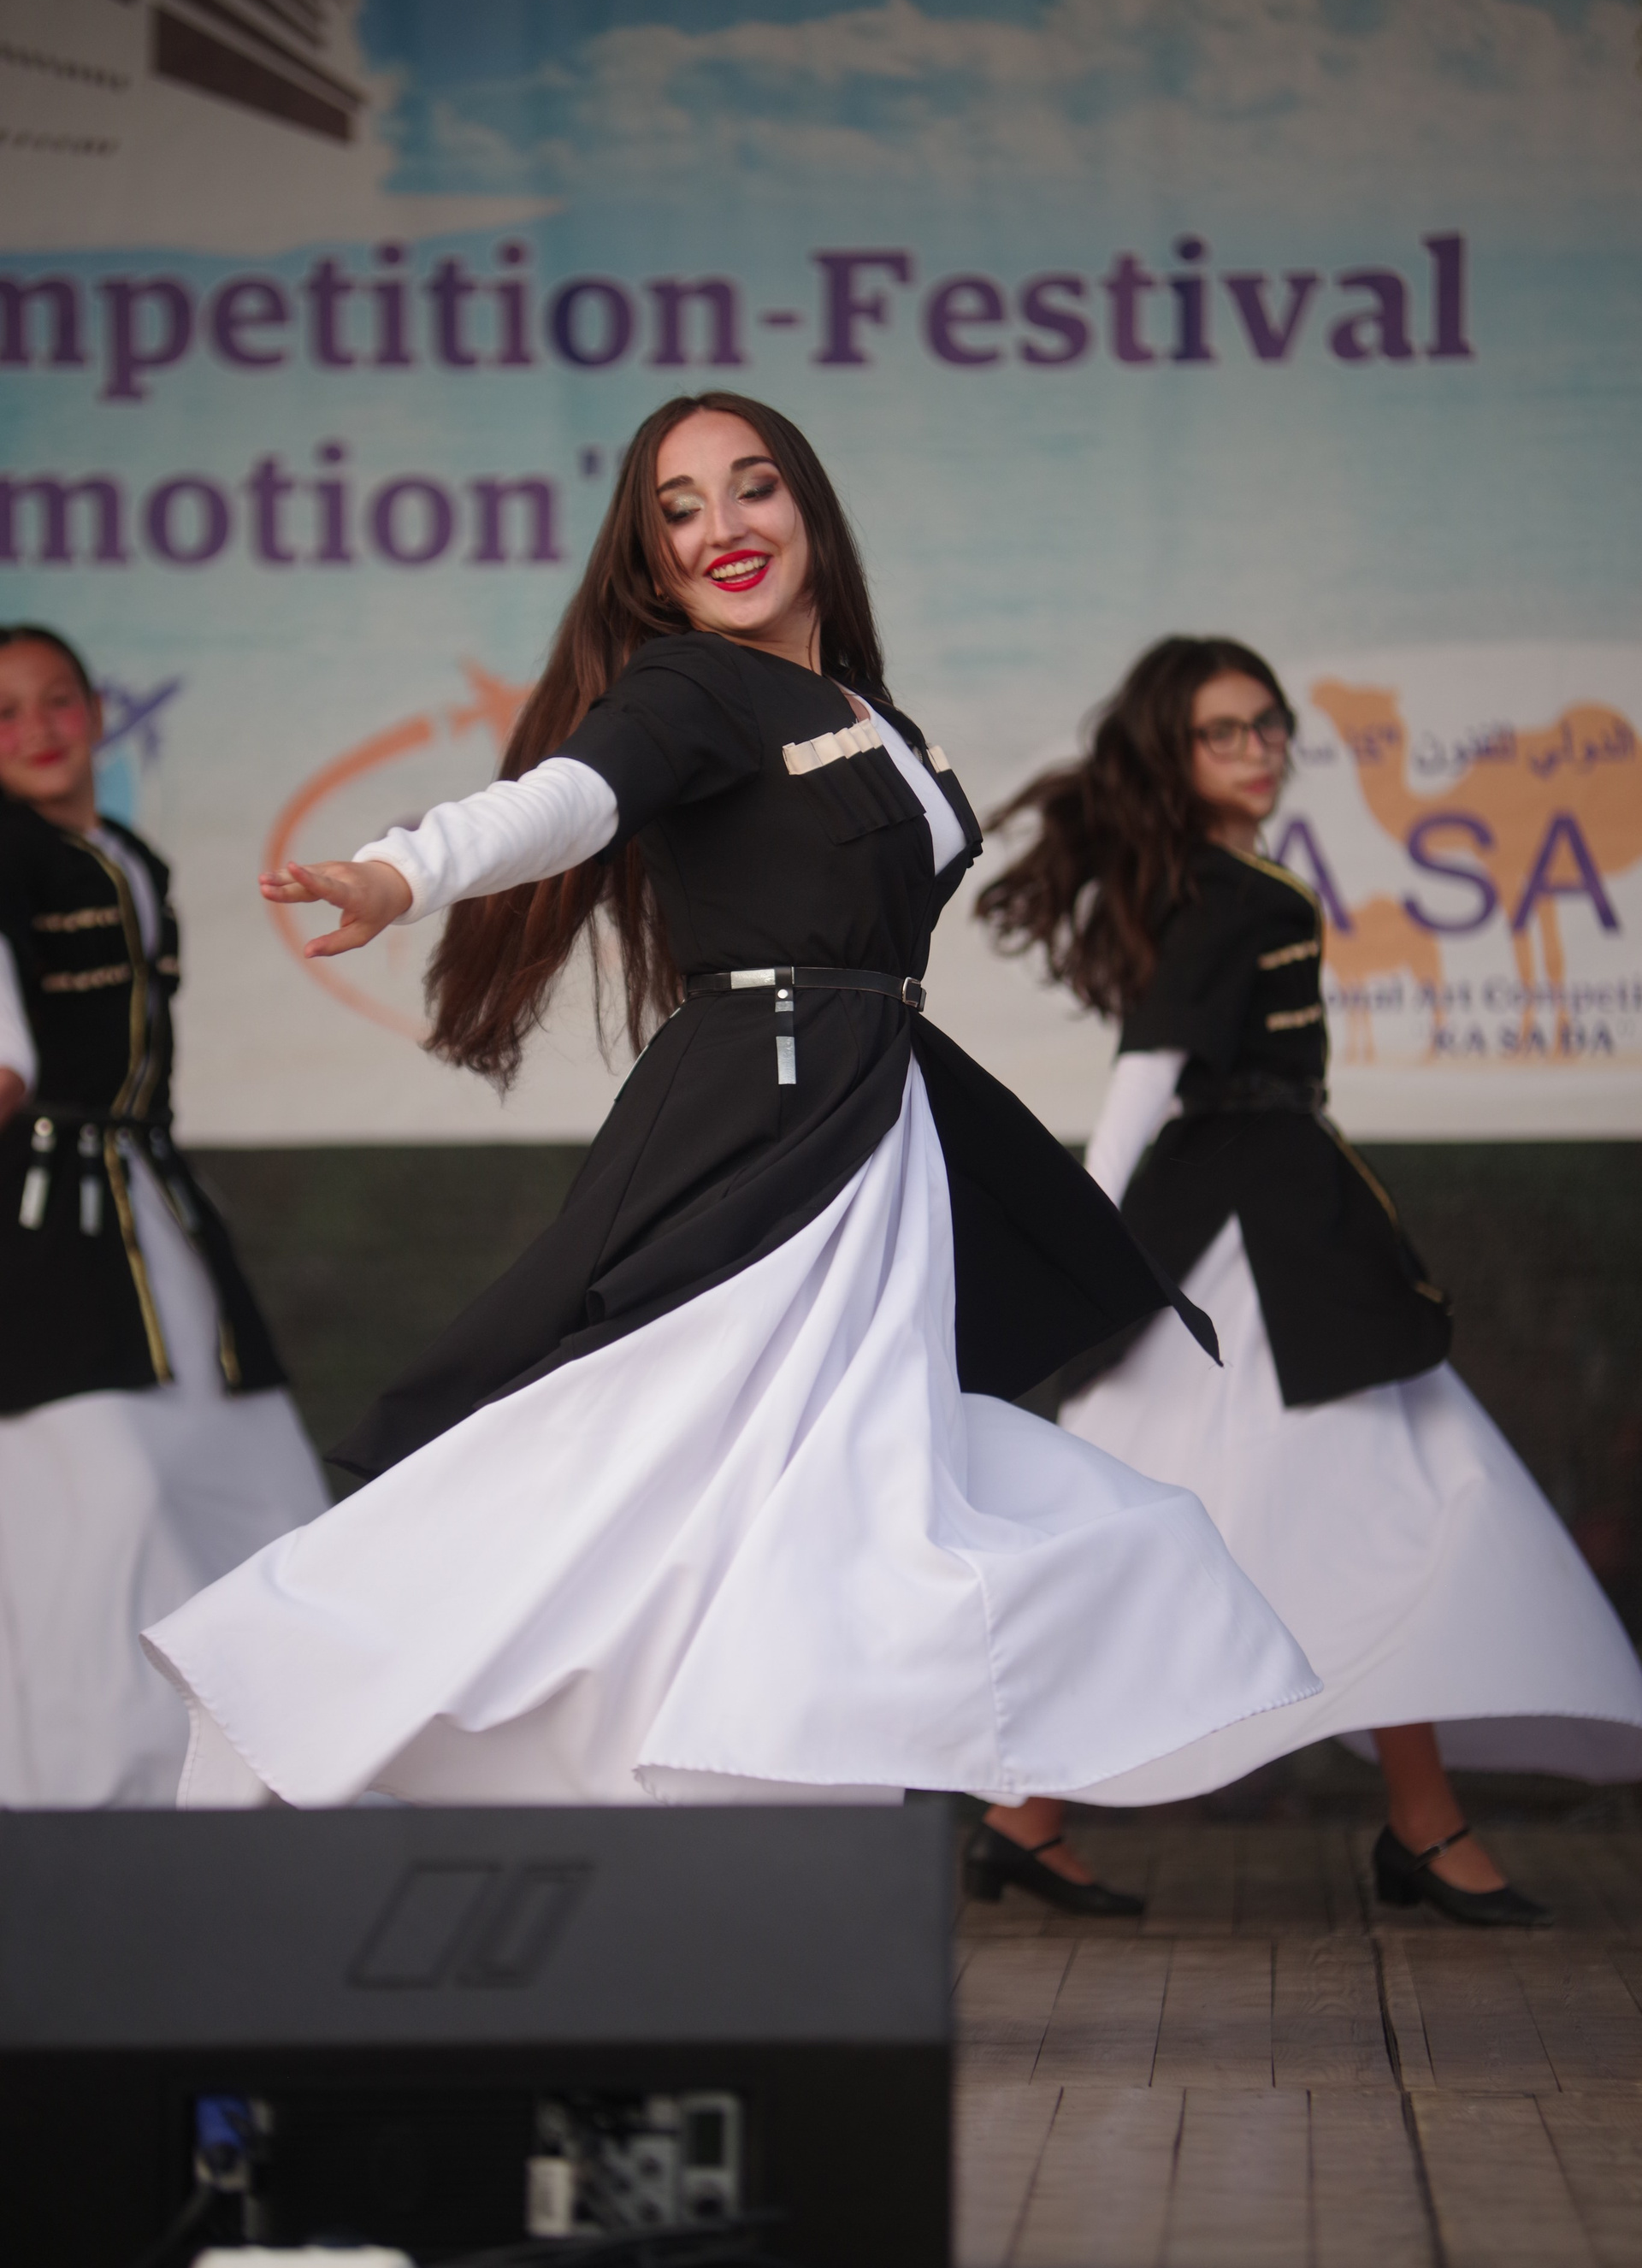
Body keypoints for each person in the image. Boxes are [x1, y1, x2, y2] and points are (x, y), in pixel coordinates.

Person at [143, 398, 1318, 1903]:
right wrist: (402, 870)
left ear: (809, 507)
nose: (724, 530)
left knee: (827, 1504)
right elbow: (569, 800)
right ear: (652, 563)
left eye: (752, 490)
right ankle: (282, 1672)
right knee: (619, 1463)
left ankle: (774, 1867)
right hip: (765, 1129)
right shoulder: (689, 687)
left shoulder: (867, 710)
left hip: (869, 1122)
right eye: (681, 511)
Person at [980, 633, 1642, 1926]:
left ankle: (1034, 1819)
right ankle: (1413, 1824)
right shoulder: (1232, 894)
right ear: (1176, 754)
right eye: (1224, 732)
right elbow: (1146, 1071)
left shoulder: (1224, 880)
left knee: (1332, 1511)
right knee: (1375, 1512)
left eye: (1269, 724)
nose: (1259, 750)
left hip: (1269, 1230)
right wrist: (1083, 1237)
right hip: (1250, 1253)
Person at [0, 624, 328, 1807]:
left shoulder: (126, 856)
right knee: (102, 1499)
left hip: (150, 1211)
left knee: (260, 1477)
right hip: (38, 1228)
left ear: (97, 712)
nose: (38, 730)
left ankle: (279, 1766)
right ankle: (95, 1796)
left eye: (57, 701)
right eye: (5, 714)